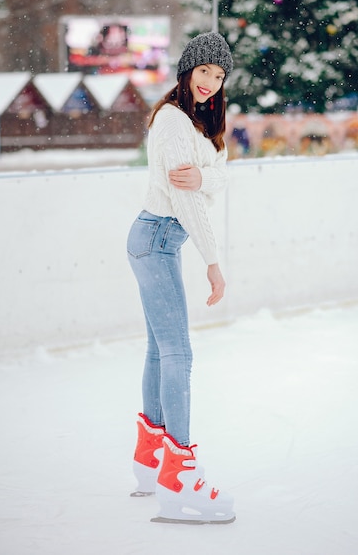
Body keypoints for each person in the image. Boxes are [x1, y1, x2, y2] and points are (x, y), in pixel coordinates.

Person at [126, 32, 236, 525]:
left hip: (158, 240)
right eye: (205, 71)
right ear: (188, 69)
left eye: (219, 75)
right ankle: (180, 471)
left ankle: (150, 456)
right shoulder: (172, 121)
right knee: (178, 353)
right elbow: (186, 198)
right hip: (157, 237)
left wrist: (206, 176)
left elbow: (218, 175)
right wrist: (212, 261)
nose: (212, 83)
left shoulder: (201, 123)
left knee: (159, 348)